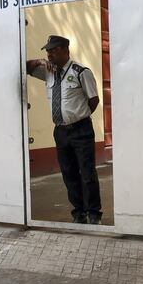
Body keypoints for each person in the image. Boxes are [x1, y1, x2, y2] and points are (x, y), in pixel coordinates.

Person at [27, 35, 102, 225]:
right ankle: (78, 212)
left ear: (65, 49)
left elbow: (93, 100)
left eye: (53, 50)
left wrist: (78, 116)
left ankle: (94, 213)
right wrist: (39, 61)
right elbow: (24, 67)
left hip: (81, 130)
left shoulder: (81, 72)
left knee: (87, 173)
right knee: (69, 174)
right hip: (60, 132)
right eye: (47, 51)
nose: (49, 54)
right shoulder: (48, 72)